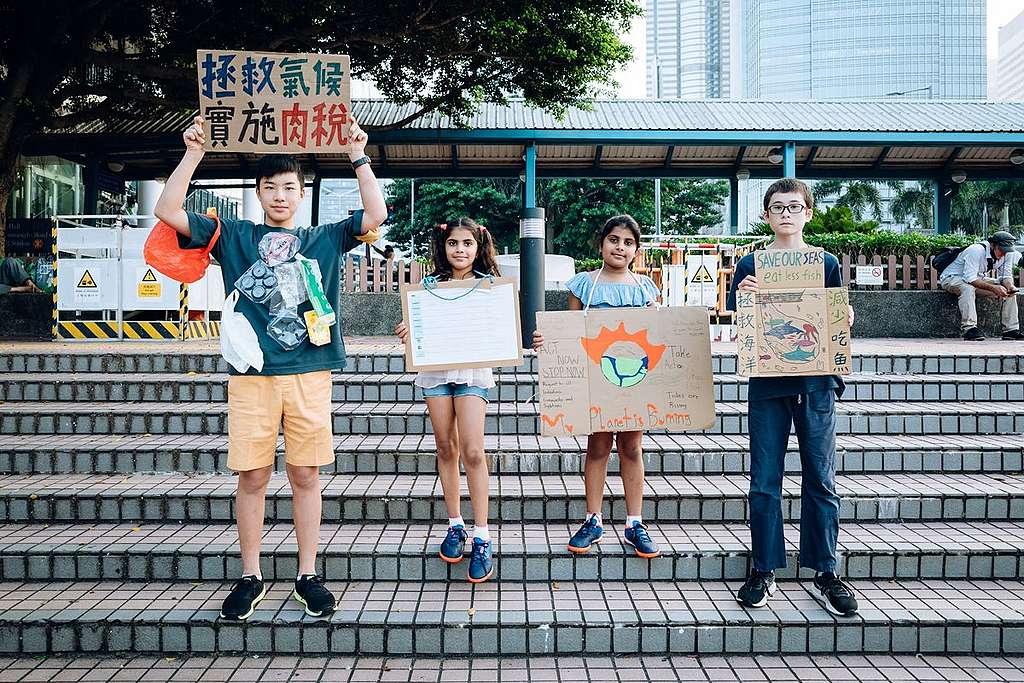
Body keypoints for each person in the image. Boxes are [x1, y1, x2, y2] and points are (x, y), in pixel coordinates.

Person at [154, 115, 387, 620]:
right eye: (270, 187)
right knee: (253, 475)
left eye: (289, 187)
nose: (280, 195)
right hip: (252, 376)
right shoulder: (233, 235)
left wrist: (357, 155)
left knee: (305, 474)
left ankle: (308, 573)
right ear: (258, 193)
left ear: (302, 193)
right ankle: (251, 574)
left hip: (309, 370)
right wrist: (193, 151)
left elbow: (375, 212)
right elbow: (167, 209)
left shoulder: (324, 239)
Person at [727, 178, 859, 617]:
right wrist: (742, 301)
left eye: (794, 206)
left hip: (817, 383)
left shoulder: (825, 263)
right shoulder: (750, 263)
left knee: (821, 478)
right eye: (777, 207)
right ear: (766, 215)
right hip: (767, 383)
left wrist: (845, 315)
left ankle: (824, 570)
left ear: (808, 213)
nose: (786, 213)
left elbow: (837, 319)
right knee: (764, 480)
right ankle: (764, 568)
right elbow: (739, 326)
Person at [532, 215, 663, 559]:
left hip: (634, 377)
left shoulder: (645, 288)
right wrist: (548, 339)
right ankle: (593, 519)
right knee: (598, 446)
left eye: (628, 242)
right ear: (601, 242)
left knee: (632, 447)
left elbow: (656, 336)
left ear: (636, 250)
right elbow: (570, 333)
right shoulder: (583, 285)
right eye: (614, 239)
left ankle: (635, 522)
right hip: (595, 378)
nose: (620, 247)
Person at [395, 218, 501, 582]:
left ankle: (482, 534)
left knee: (473, 450)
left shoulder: (490, 286)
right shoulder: (428, 288)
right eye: (453, 243)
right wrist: (409, 330)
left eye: (467, 243)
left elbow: (503, 328)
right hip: (436, 372)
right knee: (445, 448)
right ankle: (455, 524)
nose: (460, 250)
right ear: (443, 247)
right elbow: (417, 331)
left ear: (479, 246)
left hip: (473, 372)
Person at [938, 230, 1022, 341]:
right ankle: (969, 329)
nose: (1003, 254)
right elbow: (970, 279)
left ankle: (1010, 330)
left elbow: (1006, 276)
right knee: (967, 288)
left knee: (1009, 291)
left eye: (1006, 251)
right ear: (992, 245)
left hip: (977, 279)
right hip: (952, 278)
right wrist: (993, 288)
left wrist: (1010, 286)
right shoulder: (976, 250)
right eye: (1001, 250)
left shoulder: (1008, 253)